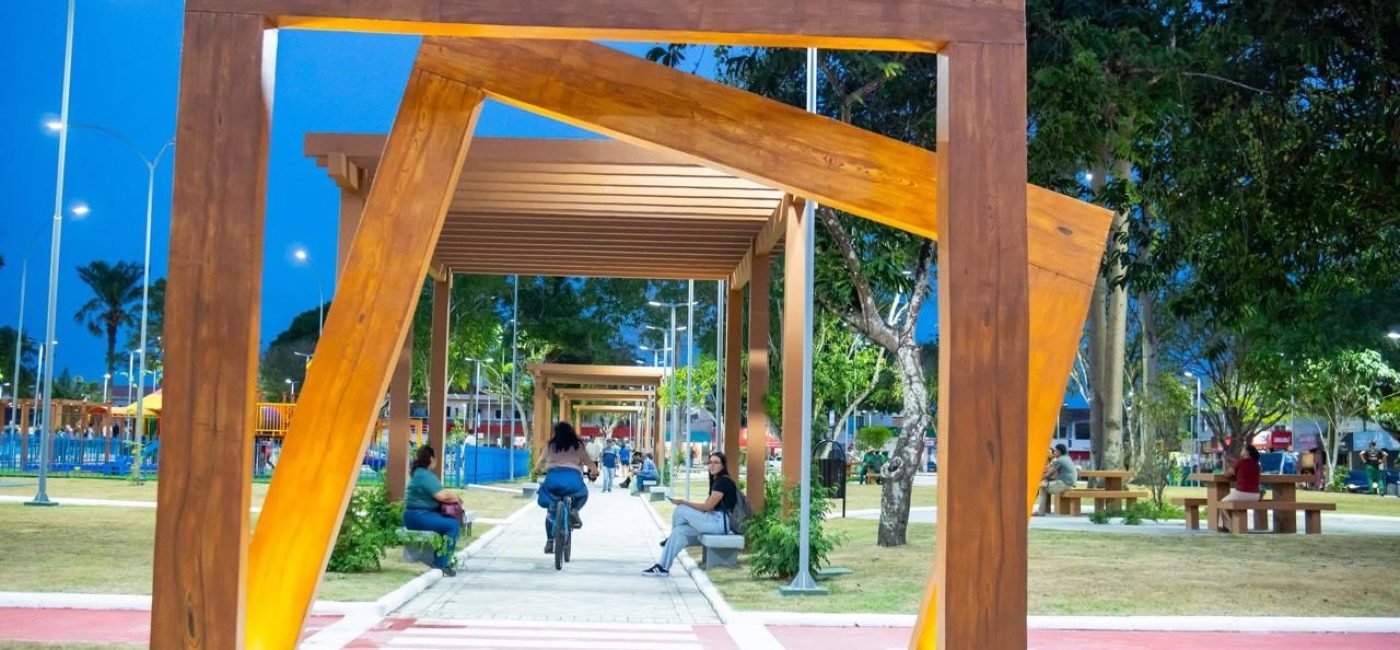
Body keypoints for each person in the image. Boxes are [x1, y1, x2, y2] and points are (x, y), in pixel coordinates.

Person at [643, 451, 738, 576]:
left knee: (681, 508)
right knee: (679, 531)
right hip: (713, 520)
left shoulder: (723, 482)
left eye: (716, 462)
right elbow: (706, 507)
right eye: (710, 462)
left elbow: (707, 507)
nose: (712, 465)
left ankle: (670, 538)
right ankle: (663, 567)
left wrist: (684, 502)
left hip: (719, 524)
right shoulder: (717, 481)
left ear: (723, 465)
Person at [534, 422, 598, 554]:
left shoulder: (550, 445)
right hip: (572, 480)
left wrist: (537, 471)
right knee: (583, 493)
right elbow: (589, 462)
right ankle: (574, 510)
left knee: (551, 512)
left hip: (553, 479)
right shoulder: (578, 445)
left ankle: (550, 542)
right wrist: (594, 472)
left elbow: (539, 462)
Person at [402, 445, 464, 576]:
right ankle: (441, 563)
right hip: (419, 516)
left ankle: (442, 559)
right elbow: (442, 496)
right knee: (452, 525)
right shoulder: (424, 475)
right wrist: (456, 498)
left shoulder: (419, 473)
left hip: (417, 515)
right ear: (431, 459)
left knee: (447, 523)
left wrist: (453, 496)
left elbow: (440, 493)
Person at [1217, 445, 1262, 533]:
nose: (1241, 450)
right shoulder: (1256, 464)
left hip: (1242, 493)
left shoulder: (1241, 463)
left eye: (1243, 449)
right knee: (1228, 502)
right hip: (1256, 495)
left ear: (1247, 452)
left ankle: (1229, 526)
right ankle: (1228, 525)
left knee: (1222, 503)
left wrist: (1225, 462)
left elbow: (1227, 474)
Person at [1033, 444, 1078, 516]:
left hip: (1064, 484)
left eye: (1055, 451)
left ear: (1059, 452)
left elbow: (1048, 474)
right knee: (1044, 483)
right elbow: (1055, 474)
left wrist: (1036, 480)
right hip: (1070, 483)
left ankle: (1040, 512)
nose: (1054, 452)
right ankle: (1042, 510)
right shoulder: (1067, 458)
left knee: (1042, 487)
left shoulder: (1059, 460)